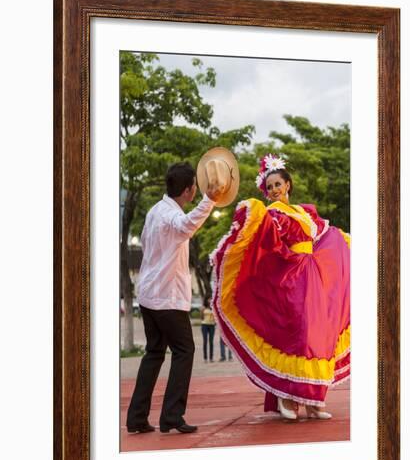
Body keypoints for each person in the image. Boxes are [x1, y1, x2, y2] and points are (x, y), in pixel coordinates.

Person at [211, 153, 350, 421]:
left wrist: (343, 244)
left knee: (317, 337)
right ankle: (287, 398)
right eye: (270, 186)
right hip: (290, 277)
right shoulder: (272, 213)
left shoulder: (303, 211)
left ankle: (313, 401)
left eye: (278, 184)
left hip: (314, 276)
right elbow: (269, 240)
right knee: (296, 336)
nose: (274, 190)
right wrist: (253, 211)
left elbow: (323, 235)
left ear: (288, 184)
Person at [126, 162, 223, 435]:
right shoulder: (171, 216)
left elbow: (151, 242)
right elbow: (186, 225)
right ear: (189, 190)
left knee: (154, 353)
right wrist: (210, 201)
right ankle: (171, 416)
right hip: (166, 297)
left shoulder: (156, 210)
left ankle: (137, 418)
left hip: (148, 294)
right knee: (184, 351)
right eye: (196, 186)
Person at [200, 297, 216, 362]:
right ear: (206, 300)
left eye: (210, 299)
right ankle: (205, 358)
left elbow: (216, 316)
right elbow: (201, 317)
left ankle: (211, 358)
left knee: (211, 342)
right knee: (205, 341)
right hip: (204, 325)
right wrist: (201, 311)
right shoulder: (203, 307)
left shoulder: (213, 307)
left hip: (212, 325)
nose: (209, 300)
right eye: (208, 299)